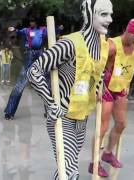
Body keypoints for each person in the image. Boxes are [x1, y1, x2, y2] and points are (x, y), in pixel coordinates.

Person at [27, 0, 113, 179]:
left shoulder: (103, 46)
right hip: (62, 115)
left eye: (111, 14)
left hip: (82, 116)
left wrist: (99, 88)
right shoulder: (70, 44)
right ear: (88, 15)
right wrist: (50, 103)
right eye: (103, 14)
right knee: (67, 169)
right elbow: (34, 71)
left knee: (71, 168)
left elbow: (95, 72)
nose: (110, 19)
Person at [90, 18, 134, 177]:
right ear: (127, 31)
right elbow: (94, 65)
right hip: (106, 87)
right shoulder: (112, 46)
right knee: (103, 126)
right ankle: (94, 162)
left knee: (121, 123)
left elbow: (132, 67)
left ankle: (108, 153)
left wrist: (127, 84)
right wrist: (97, 86)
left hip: (120, 88)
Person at [4, 18, 48, 120]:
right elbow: (17, 32)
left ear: (36, 22)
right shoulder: (26, 30)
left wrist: (58, 29)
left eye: (33, 21)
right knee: (20, 84)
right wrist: (13, 29)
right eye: (30, 21)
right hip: (29, 56)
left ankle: (50, 111)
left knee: (47, 84)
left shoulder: (43, 29)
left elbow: (52, 31)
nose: (31, 23)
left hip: (41, 56)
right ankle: (9, 112)